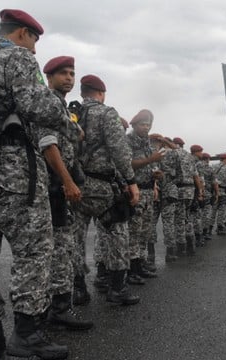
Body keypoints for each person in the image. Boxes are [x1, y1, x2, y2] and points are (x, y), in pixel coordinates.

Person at [0, 9, 72, 359]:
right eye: (34, 41)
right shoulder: (16, 57)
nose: (36, 52)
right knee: (34, 250)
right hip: (12, 172)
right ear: (23, 33)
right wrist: (66, 116)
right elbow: (35, 105)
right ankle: (26, 333)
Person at [71, 74, 140, 306]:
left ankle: (78, 289)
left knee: (75, 238)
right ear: (101, 93)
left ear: (82, 93)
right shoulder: (107, 113)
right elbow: (120, 152)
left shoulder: (72, 115)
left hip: (75, 185)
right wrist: (131, 181)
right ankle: (117, 287)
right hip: (101, 187)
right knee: (118, 232)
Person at [41, 56, 93, 331]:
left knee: (62, 247)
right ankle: (56, 311)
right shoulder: (49, 103)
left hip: (60, 186)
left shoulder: (60, 106)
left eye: (72, 73)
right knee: (58, 249)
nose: (69, 78)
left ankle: (59, 307)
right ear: (48, 77)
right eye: (63, 73)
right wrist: (68, 181)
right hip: (55, 187)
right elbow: (48, 145)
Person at [126, 109, 163, 284]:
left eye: (148, 124)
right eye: (143, 124)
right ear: (134, 125)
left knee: (145, 231)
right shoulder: (128, 140)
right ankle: (131, 268)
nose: (146, 128)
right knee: (134, 231)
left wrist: (155, 176)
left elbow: (149, 164)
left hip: (148, 190)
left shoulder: (146, 143)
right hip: (136, 190)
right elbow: (127, 165)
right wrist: (149, 160)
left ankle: (140, 263)